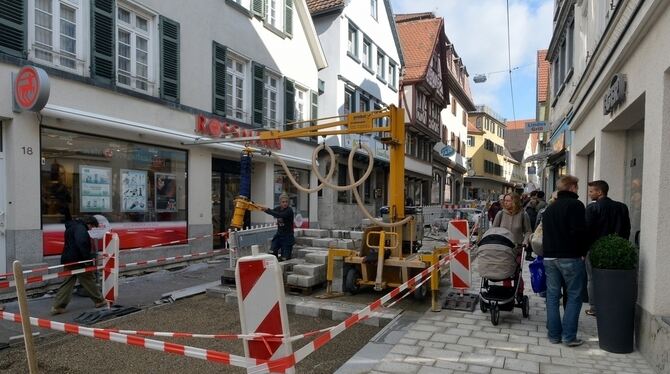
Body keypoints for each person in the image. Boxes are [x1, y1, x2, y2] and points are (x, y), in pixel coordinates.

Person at [542, 175, 588, 347]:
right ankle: (569, 337)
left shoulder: (550, 209)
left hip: (549, 257)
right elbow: (580, 232)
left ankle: (554, 336)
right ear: (572, 187)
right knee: (575, 296)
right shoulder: (576, 205)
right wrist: (583, 252)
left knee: (552, 297)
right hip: (570, 256)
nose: (578, 190)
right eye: (577, 187)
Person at [583, 180, 632, 316]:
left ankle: (594, 308)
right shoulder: (622, 207)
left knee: (592, 279)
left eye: (591, 191)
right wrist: (621, 245)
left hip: (595, 248)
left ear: (600, 192)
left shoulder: (592, 208)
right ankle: (612, 306)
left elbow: (587, 231)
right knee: (614, 280)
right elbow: (627, 229)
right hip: (617, 250)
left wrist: (583, 250)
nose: (589, 194)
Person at [51, 216, 106, 315]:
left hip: (68, 259)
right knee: (89, 280)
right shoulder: (81, 228)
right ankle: (99, 301)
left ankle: (58, 307)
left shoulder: (72, 227)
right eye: (92, 227)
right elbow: (82, 243)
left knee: (67, 282)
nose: (90, 229)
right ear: (89, 223)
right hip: (79, 260)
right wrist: (87, 259)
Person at [492, 193, 533, 296]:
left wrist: (525, 240)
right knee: (505, 272)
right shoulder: (500, 214)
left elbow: (528, 231)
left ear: (515, 201)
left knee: (516, 271)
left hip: (517, 248)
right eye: (505, 200)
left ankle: (519, 292)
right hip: (503, 248)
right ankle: (507, 292)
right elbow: (493, 230)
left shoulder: (523, 214)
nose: (505, 202)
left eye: (508, 200)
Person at [264, 193, 295, 261]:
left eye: (286, 202)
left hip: (288, 237)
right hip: (279, 235)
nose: (285, 203)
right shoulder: (278, 208)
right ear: (280, 202)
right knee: (272, 251)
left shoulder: (289, 210)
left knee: (285, 258)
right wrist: (263, 209)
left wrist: (268, 210)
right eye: (283, 202)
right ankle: (275, 264)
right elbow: (273, 211)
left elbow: (280, 215)